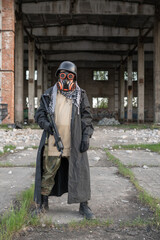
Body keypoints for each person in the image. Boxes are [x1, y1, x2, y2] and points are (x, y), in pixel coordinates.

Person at [34, 61, 94, 220]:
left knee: (79, 173)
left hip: (74, 142)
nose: (66, 79)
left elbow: (87, 117)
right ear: (58, 76)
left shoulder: (81, 95)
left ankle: (84, 205)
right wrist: (46, 124)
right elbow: (39, 115)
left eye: (69, 76)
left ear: (74, 77)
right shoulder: (48, 94)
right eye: (63, 75)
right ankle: (43, 204)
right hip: (53, 141)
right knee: (48, 172)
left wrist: (86, 136)